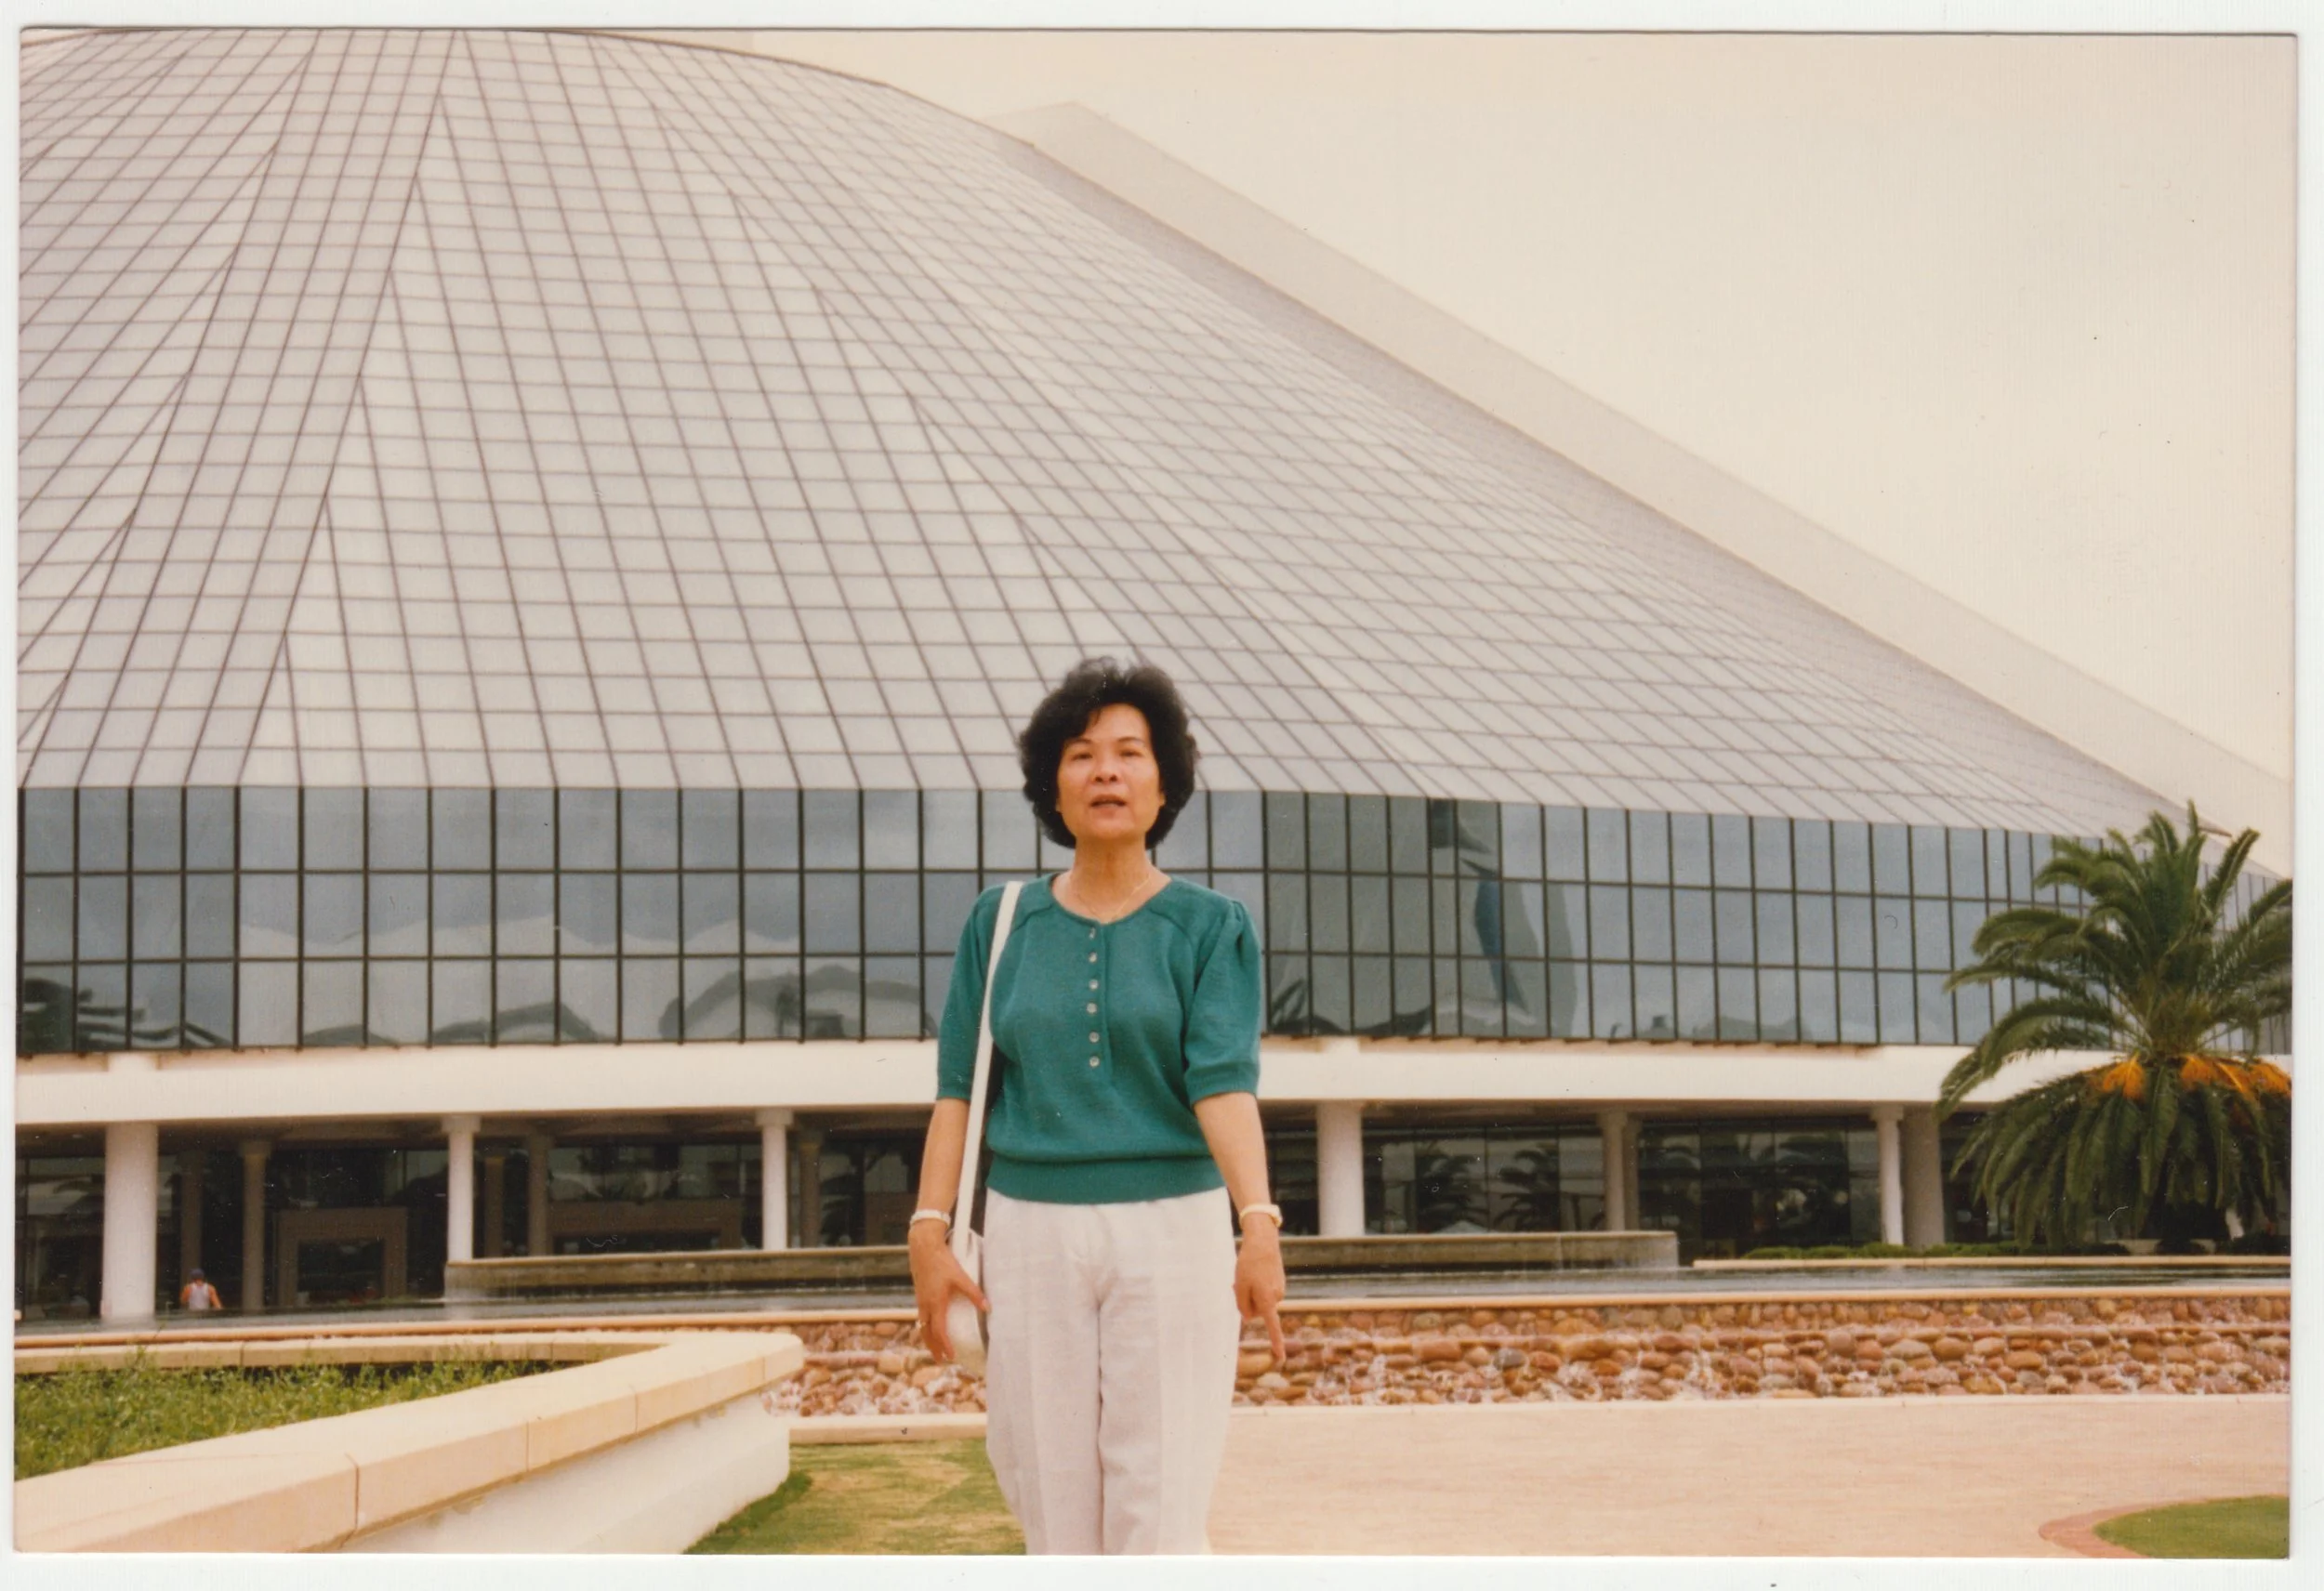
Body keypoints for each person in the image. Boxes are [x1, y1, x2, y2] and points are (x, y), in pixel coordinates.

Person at [908, 657, 1287, 1556]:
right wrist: (927, 1235)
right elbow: (958, 1092)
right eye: (1081, 756)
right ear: (1054, 788)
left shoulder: (1211, 928)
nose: (1106, 772)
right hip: (1031, 1234)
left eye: (1129, 753)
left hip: (1174, 1231)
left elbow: (1223, 1085)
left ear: (1165, 786)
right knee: (1049, 1499)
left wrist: (1260, 1224)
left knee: (1159, 1502)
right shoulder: (997, 924)